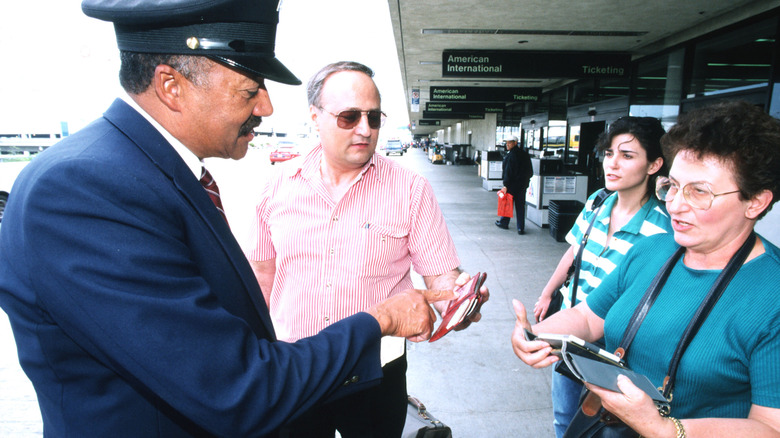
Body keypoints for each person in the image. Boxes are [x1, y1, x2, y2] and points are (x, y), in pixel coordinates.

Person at [0, 2, 457, 437]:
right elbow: (236, 389)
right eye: (248, 90)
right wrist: (379, 319)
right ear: (171, 86)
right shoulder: (86, 190)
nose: (266, 107)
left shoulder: (155, 174)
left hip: (336, 378)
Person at [246, 61, 487, 438]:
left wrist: (461, 299)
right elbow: (261, 278)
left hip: (378, 369)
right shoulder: (274, 188)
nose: (364, 129)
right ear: (315, 116)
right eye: (349, 117)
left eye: (373, 118)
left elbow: (441, 278)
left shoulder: (410, 190)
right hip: (296, 367)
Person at [512, 100, 780, 436]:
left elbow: (770, 427)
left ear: (756, 201)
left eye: (699, 192)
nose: (677, 205)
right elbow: (586, 318)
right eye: (672, 186)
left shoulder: (772, 295)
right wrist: (537, 335)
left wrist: (667, 430)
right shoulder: (651, 250)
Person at [532, 117, 672, 437]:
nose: (613, 163)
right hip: (572, 330)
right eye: (609, 154)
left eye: (627, 155)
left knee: (606, 427)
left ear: (654, 165)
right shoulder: (598, 202)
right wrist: (546, 294)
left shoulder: (663, 228)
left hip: (616, 345)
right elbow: (573, 253)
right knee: (565, 417)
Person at [495, 135, 533, 234]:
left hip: (511, 186)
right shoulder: (525, 155)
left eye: (509, 142)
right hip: (522, 186)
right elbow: (530, 172)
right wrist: (525, 182)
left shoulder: (511, 155)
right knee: (520, 206)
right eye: (506, 142)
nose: (507, 144)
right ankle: (520, 228)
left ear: (515, 143)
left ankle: (504, 223)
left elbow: (508, 172)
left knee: (508, 204)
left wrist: (505, 185)